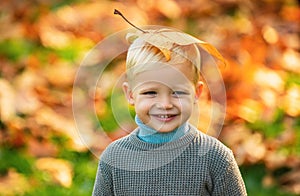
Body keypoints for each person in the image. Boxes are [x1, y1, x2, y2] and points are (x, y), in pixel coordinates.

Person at [92, 28, 247, 195]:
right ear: (130, 95)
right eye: (150, 93)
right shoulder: (114, 158)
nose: (165, 104)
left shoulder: (216, 158)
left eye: (177, 92)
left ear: (197, 93)